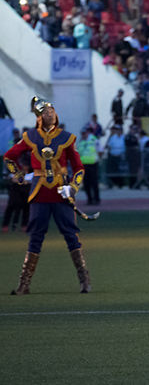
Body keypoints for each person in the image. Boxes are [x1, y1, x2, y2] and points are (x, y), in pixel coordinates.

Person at [4, 97, 91, 294]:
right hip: (39, 194)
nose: (50, 113)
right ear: (39, 117)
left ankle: (84, 279)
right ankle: (24, 284)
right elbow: (9, 157)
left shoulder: (67, 137)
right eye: (46, 111)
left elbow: (78, 168)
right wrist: (18, 175)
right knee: (35, 237)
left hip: (62, 193)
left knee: (71, 235)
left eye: (52, 110)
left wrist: (74, 187)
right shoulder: (30, 137)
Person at [78, 127, 101, 206]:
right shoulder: (80, 142)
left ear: (88, 132)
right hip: (84, 165)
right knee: (86, 183)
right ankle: (90, 199)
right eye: (82, 133)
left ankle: (97, 199)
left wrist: (98, 159)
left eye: (84, 133)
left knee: (94, 183)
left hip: (93, 164)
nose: (83, 135)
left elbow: (100, 150)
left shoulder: (94, 140)